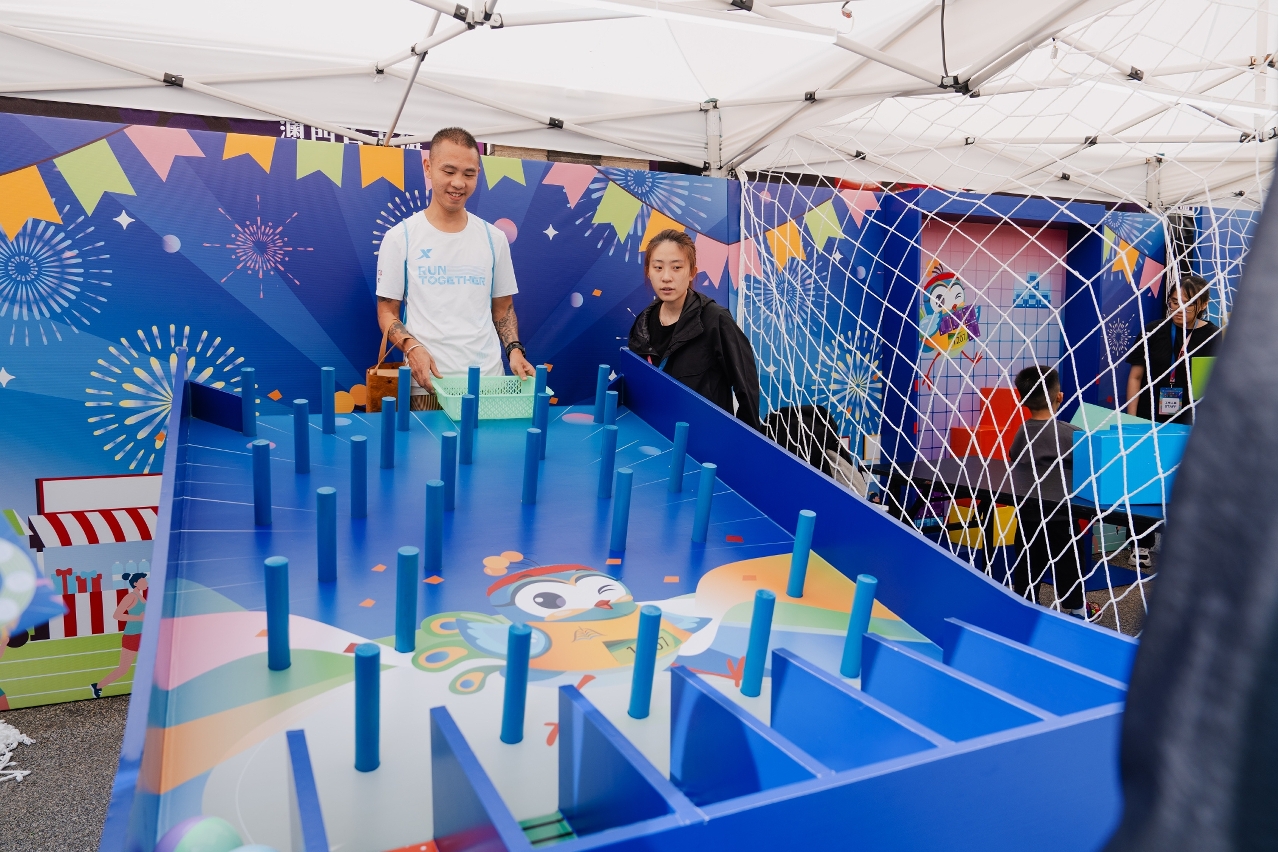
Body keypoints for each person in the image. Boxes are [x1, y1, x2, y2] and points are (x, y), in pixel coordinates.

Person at [375, 127, 535, 410]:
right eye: (449, 171)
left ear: (478, 174)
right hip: (427, 386)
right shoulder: (400, 237)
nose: (458, 183)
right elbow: (387, 311)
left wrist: (514, 350)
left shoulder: (493, 238)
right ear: (428, 167)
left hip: (488, 383)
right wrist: (412, 347)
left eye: (468, 174)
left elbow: (503, 308)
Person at [627, 229, 762, 430]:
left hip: (706, 439)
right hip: (657, 434)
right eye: (658, 267)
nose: (666, 277)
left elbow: (746, 389)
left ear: (692, 272)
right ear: (648, 271)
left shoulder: (716, 320)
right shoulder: (642, 323)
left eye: (676, 267)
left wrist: (741, 443)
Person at [1007, 366, 1096, 619]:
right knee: (1069, 565)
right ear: (1060, 396)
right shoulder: (1071, 433)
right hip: (1061, 517)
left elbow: (1014, 457)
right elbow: (1088, 467)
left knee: (1028, 565)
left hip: (1028, 516)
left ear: (1022, 399)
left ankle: (1026, 606)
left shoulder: (1022, 432)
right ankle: (1078, 609)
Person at [1125, 273, 1221, 425]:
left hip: (1189, 421)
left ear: (1203, 305)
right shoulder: (1152, 330)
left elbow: (1210, 387)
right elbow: (1135, 377)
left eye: (1188, 304)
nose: (1179, 309)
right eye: (1175, 302)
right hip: (1148, 418)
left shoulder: (1211, 335)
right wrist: (1131, 420)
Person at [91, 572, 147, 698]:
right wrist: (138, 618)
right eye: (143, 581)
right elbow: (117, 615)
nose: (146, 582)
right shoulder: (131, 597)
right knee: (123, 669)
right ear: (135, 583)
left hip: (143, 635)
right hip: (132, 636)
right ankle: (98, 686)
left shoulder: (142, 597)